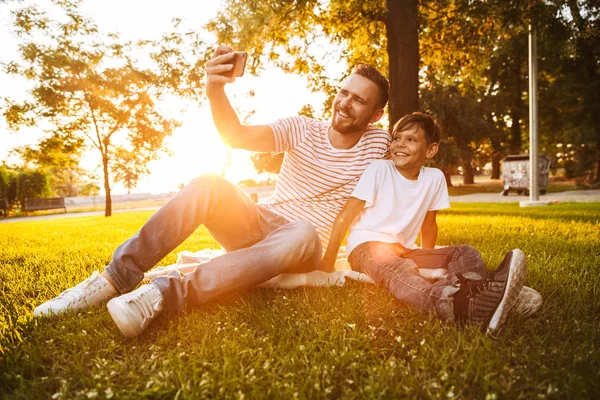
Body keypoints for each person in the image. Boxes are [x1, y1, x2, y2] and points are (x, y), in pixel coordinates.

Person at [33, 45, 392, 337]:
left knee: (302, 230)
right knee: (209, 183)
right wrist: (215, 90)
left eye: (358, 100)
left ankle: (162, 294)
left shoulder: (380, 144)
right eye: (343, 92)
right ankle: (113, 279)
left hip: (303, 244)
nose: (344, 103)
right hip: (261, 225)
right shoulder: (301, 128)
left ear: (375, 116)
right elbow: (234, 136)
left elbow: (412, 163)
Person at [318, 112, 527, 332]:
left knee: (465, 252)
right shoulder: (378, 169)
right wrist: (327, 261)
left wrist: (429, 261)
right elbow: (346, 216)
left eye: (411, 139)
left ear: (430, 150)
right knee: (400, 270)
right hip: (366, 248)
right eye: (397, 138)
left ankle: (472, 292)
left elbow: (429, 224)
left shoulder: (434, 178)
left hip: (404, 249)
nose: (400, 144)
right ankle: (458, 304)